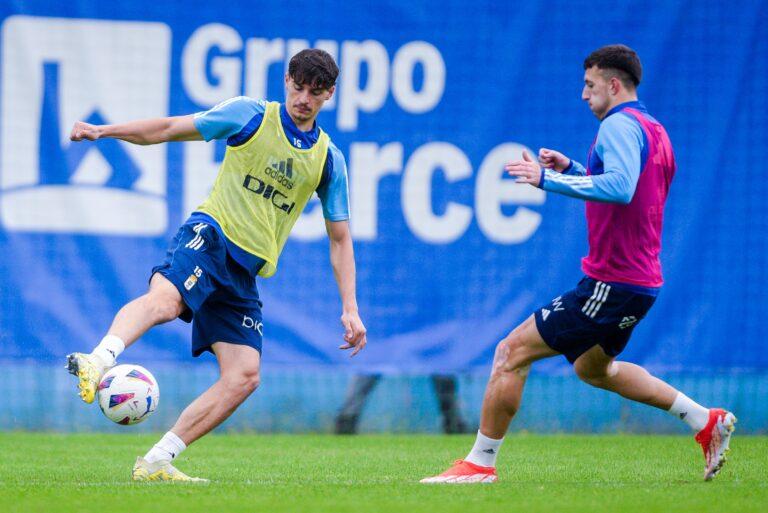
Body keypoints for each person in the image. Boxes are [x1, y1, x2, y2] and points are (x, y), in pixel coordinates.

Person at [421, 45, 735, 484]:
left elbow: (623, 187)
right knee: (593, 369)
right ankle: (704, 420)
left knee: (510, 353)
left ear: (613, 84)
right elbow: (635, 185)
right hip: (641, 284)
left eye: (589, 85)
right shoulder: (654, 129)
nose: (583, 94)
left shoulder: (618, 125)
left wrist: (548, 178)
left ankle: (479, 464)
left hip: (612, 281)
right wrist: (572, 164)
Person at [65, 49, 367, 482]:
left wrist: (350, 307)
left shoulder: (328, 160)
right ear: (286, 81)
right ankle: (98, 359)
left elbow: (340, 238)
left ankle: (156, 462)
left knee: (244, 376)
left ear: (329, 94)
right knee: (166, 302)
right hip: (211, 236)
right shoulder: (249, 116)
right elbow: (169, 128)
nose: (304, 98)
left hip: (244, 273)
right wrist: (105, 131)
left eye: (315, 92)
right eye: (298, 87)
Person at [335, 374, 469, 434]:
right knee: (371, 365)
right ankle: (346, 419)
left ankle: (454, 423)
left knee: (442, 369)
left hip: (428, 325)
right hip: (391, 325)